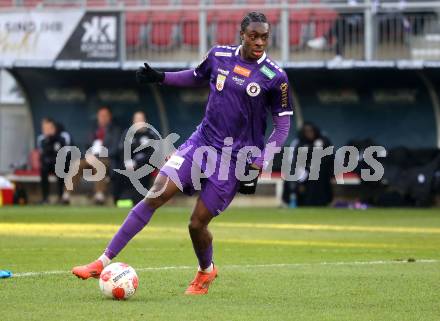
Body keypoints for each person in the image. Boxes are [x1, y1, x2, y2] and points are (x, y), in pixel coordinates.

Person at [72, 12, 293, 295]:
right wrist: (161, 77)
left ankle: (206, 271)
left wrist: (261, 160)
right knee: (156, 193)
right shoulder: (219, 55)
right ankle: (102, 261)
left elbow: (282, 124)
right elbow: (195, 77)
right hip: (200, 142)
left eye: (264, 37)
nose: (259, 42)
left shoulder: (275, 77)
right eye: (253, 36)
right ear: (242, 35)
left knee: (196, 224)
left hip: (233, 160)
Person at [62, 106, 121, 205]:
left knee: (100, 164)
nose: (102, 118)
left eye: (105, 115)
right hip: (90, 158)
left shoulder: (115, 130)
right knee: (77, 164)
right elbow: (85, 146)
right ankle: (66, 195)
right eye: (100, 115)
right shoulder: (93, 129)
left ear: (109, 117)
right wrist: (87, 155)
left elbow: (115, 149)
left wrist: (99, 155)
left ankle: (99, 196)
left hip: (105, 158)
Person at [113, 111, 160, 204]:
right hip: (128, 164)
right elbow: (122, 149)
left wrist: (138, 162)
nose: (138, 122)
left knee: (144, 169)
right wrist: (128, 161)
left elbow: (155, 153)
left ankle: (139, 199)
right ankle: (119, 198)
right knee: (119, 170)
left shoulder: (151, 134)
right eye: (136, 119)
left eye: (141, 119)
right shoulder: (127, 133)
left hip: (146, 164)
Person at [282, 122, 333, 207]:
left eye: (311, 131)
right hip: (303, 169)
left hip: (321, 170)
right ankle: (293, 201)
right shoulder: (299, 143)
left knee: (317, 175)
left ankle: (320, 202)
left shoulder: (323, 140)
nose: (309, 133)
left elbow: (329, 157)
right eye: (307, 131)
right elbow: (295, 161)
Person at [37, 118, 67, 204]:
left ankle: (61, 197)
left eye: (48, 128)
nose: (46, 131)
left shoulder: (61, 139)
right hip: (48, 165)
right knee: (43, 169)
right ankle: (45, 198)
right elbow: (43, 155)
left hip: (60, 164)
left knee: (60, 169)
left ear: (53, 128)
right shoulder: (43, 141)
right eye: (44, 129)